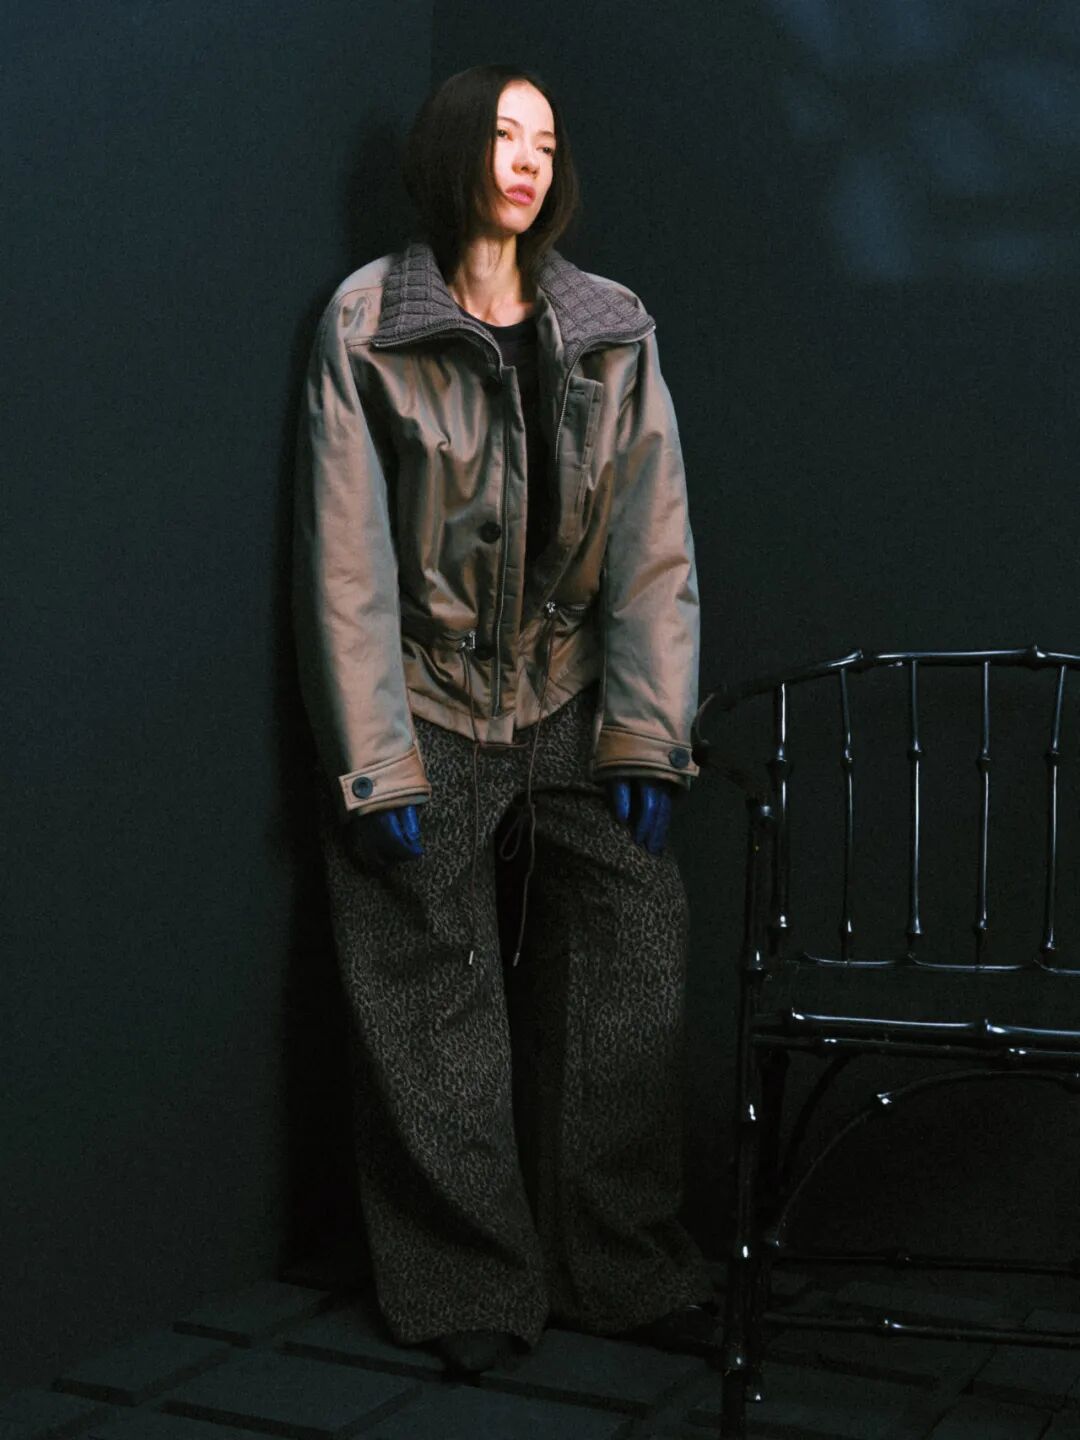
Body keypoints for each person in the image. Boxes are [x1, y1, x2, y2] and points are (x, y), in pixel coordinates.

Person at [292, 63, 714, 1376]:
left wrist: (648, 732)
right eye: (500, 135)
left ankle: (618, 1266)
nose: (527, 159)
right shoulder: (369, 320)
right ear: (449, 152)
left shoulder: (610, 323)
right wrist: (375, 764)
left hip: (568, 688)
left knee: (635, 954)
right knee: (427, 982)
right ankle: (466, 1280)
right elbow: (344, 561)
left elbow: (653, 538)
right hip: (424, 695)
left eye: (544, 140)